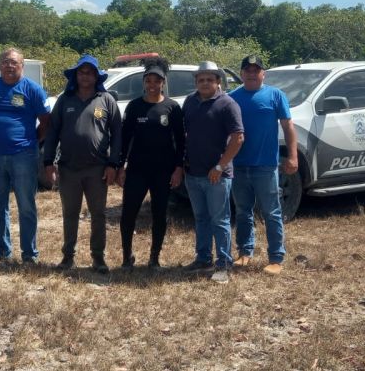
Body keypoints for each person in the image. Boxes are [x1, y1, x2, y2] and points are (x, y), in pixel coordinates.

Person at [43, 55, 122, 274]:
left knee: (98, 214)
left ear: (96, 76)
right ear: (75, 75)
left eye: (89, 72)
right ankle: (68, 257)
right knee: (70, 214)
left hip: (98, 169)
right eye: (81, 72)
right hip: (68, 168)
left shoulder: (106, 99)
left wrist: (113, 164)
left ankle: (98, 258)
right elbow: (52, 133)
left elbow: (117, 135)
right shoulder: (64, 100)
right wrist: (49, 162)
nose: (85, 75)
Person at [0, 48, 50, 263]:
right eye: (5, 62)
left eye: (14, 62)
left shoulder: (33, 89)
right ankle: (1, 251)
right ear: (0, 65)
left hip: (24, 155)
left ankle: (29, 255)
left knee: (26, 205)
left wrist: (32, 141)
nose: (9, 66)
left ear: (22, 65)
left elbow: (46, 121)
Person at [229, 55, 298, 275]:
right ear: (241, 74)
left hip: (266, 167)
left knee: (271, 212)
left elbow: (288, 127)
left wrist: (293, 156)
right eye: (247, 70)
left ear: (263, 73)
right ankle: (245, 253)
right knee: (242, 212)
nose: (251, 73)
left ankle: (276, 258)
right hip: (238, 166)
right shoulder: (232, 98)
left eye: (255, 70)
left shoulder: (276, 95)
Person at [116, 60, 184, 269]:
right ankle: (127, 257)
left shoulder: (172, 107)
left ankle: (154, 258)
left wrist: (178, 169)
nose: (152, 84)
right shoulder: (135, 106)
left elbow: (180, 141)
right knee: (129, 213)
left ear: (163, 83)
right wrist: (120, 166)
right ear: (144, 82)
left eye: (157, 81)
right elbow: (124, 138)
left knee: (159, 213)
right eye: (149, 80)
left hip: (163, 170)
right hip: (137, 169)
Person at [182, 61, 244, 281]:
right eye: (201, 79)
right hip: (193, 173)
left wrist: (220, 166)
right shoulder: (190, 102)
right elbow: (185, 135)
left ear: (218, 81)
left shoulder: (228, 104)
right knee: (201, 218)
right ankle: (203, 258)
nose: (205, 83)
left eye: (210, 79)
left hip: (217, 174)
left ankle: (224, 263)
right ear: (196, 82)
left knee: (220, 220)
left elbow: (238, 138)